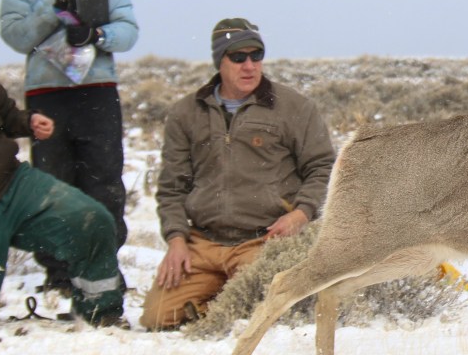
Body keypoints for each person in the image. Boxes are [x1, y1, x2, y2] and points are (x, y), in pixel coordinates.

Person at [142, 18, 335, 330]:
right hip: (202, 242)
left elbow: (323, 167)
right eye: (238, 57)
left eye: (256, 56)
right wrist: (176, 239)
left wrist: (301, 214)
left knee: (271, 315)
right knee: (158, 318)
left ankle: (227, 307)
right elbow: (172, 187)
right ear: (220, 60)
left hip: (263, 241)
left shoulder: (295, 107)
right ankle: (220, 301)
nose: (249, 66)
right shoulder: (185, 113)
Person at [0, 0, 123, 329]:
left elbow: (5, 116)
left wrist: (29, 122)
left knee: (91, 219)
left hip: (12, 185)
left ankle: (100, 311)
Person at [0, 0, 139, 294]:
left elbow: (129, 31)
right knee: (55, 184)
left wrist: (97, 37)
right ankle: (60, 274)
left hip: (97, 93)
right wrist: (52, 7)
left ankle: (103, 269)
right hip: (47, 96)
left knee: (104, 184)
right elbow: (14, 37)